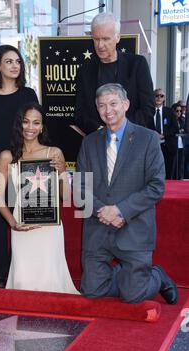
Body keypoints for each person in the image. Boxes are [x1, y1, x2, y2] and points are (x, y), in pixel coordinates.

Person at [77, 83, 178, 304]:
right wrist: (103, 212)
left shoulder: (148, 139)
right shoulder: (89, 142)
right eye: (102, 105)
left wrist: (121, 211)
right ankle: (127, 278)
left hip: (133, 227)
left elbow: (156, 186)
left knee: (133, 296)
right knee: (92, 291)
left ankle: (155, 276)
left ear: (126, 104)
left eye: (113, 103)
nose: (108, 110)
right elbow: (80, 187)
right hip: (98, 226)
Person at [0, 102, 79, 294]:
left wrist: (62, 173)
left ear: (42, 126)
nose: (30, 128)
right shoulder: (7, 156)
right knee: (24, 280)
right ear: (19, 124)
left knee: (50, 279)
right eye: (26, 122)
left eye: (36, 123)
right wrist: (13, 224)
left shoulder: (54, 153)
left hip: (50, 228)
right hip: (21, 225)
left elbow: (65, 197)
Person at [0, 44, 38, 288]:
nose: (14, 65)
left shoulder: (28, 94)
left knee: (24, 215)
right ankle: (0, 273)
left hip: (25, 164)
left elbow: (34, 128)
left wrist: (19, 159)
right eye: (9, 61)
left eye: (18, 61)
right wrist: (0, 158)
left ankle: (23, 270)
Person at [75, 12, 155, 135]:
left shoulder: (137, 64)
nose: (100, 45)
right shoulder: (85, 71)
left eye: (106, 39)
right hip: (98, 143)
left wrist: (121, 130)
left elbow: (147, 108)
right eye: (96, 39)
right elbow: (80, 113)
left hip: (132, 140)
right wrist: (100, 132)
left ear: (117, 37)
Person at [151, 89, 179, 179]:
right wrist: (154, 134)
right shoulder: (148, 112)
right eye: (157, 95)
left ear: (164, 99)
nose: (159, 97)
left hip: (168, 146)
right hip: (153, 146)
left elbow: (175, 128)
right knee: (154, 173)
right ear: (153, 97)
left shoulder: (170, 111)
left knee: (168, 173)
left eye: (161, 96)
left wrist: (164, 134)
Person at [171, 102, 185, 179]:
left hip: (181, 145)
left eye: (180, 111)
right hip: (173, 145)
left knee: (180, 164)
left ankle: (180, 178)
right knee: (173, 165)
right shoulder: (171, 120)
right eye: (177, 111)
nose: (179, 112)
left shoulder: (182, 120)